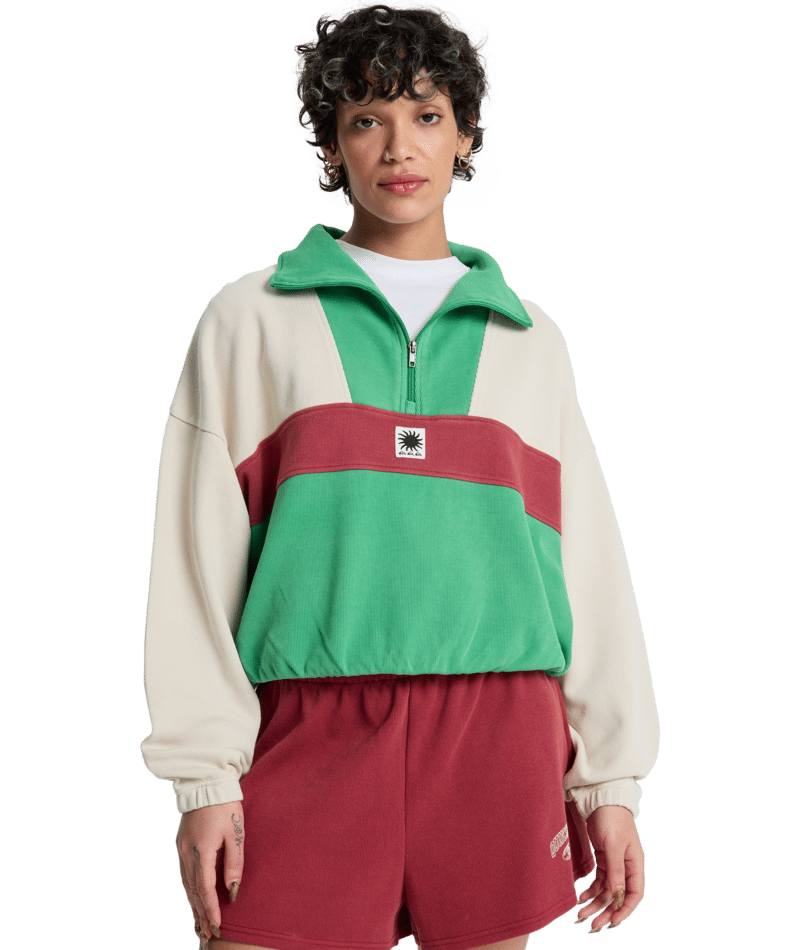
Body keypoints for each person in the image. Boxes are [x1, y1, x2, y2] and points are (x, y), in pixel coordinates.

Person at [139, 2, 661, 949]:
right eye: (366, 119)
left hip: (499, 734)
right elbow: (194, 563)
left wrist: (610, 782)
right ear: (331, 145)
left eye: (426, 115)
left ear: (466, 134)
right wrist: (204, 777)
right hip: (306, 734)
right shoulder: (249, 319)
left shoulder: (530, 339)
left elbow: (587, 567)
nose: (399, 147)